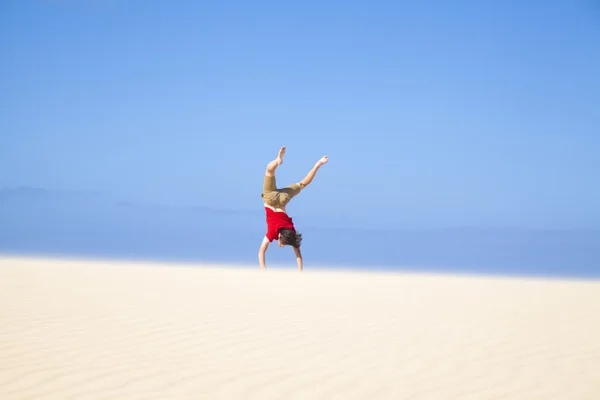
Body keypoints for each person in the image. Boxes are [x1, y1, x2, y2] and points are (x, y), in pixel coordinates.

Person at [258, 146, 328, 271]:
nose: (281, 245)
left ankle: (317, 164)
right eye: (283, 243)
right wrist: (264, 272)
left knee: (302, 183)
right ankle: (277, 161)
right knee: (269, 172)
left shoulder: (292, 231)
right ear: (279, 236)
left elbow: (298, 256)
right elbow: (261, 252)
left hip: (283, 199)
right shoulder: (271, 233)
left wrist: (300, 271)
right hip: (270, 198)